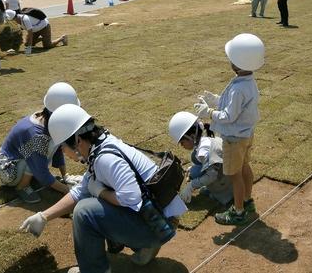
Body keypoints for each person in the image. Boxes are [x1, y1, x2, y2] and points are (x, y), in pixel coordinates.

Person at [19, 104, 187, 273]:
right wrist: (44, 216)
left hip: (158, 226)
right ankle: (143, 247)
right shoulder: (101, 146)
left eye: (62, 146)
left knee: (85, 211)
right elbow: (81, 190)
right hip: (158, 218)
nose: (62, 151)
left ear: (77, 140)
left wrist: (101, 192)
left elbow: (131, 198)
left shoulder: (105, 159)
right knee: (92, 201)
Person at [193, 33, 263, 225]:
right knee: (244, 167)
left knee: (234, 175)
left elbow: (228, 116)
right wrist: (215, 99)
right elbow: (234, 106)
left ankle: (238, 211)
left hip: (233, 138)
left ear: (238, 62)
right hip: (245, 135)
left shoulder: (239, 88)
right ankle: (247, 201)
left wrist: (209, 112)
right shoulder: (248, 81)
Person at [0, 82, 81, 203]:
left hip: (20, 161)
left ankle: (27, 178)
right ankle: (22, 187)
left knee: (49, 144)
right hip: (8, 169)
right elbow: (42, 173)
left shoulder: (47, 120)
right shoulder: (36, 135)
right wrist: (68, 191)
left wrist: (65, 176)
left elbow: (58, 148)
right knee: (35, 156)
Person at [169, 111, 233, 206]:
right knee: (194, 170)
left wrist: (191, 186)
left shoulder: (204, 151)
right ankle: (214, 188)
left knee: (196, 173)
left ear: (192, 136)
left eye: (182, 142)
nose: (182, 146)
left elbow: (212, 175)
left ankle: (221, 193)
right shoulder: (205, 141)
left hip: (228, 184)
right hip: (228, 172)